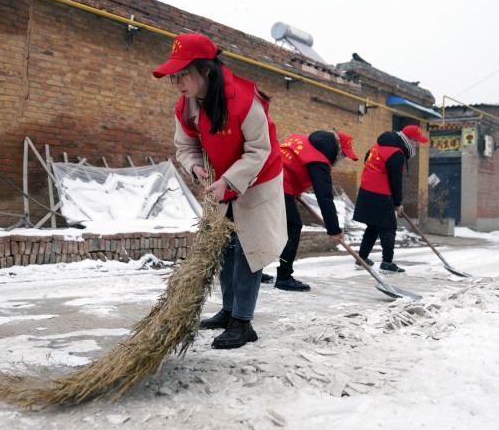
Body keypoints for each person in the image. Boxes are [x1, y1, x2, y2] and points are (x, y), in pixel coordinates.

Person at [152, 33, 287, 349]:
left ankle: (243, 322)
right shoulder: (186, 105)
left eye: (184, 74)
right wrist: (195, 166)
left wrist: (230, 180)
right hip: (220, 178)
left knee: (247, 249)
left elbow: (259, 150)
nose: (178, 82)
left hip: (258, 177)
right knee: (224, 246)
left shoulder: (242, 98)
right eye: (174, 76)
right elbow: (186, 145)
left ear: (206, 70)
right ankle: (228, 312)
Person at [268, 131, 359, 292]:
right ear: (337, 149)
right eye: (343, 154)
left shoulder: (298, 139)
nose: (341, 159)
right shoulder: (318, 159)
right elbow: (324, 197)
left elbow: (290, 164)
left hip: (265, 179)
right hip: (277, 184)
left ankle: (252, 270)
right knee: (293, 226)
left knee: (264, 227)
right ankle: (284, 277)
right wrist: (334, 229)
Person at [352, 124, 430, 274]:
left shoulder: (381, 144)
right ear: (409, 140)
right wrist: (397, 202)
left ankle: (361, 259)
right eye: (417, 141)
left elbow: (367, 157)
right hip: (380, 192)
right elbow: (396, 180)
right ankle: (387, 263)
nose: (418, 145)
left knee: (373, 226)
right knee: (388, 227)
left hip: (367, 189)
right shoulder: (396, 153)